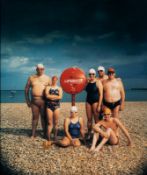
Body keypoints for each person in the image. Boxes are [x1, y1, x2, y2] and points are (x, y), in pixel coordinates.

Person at [25, 64, 51, 139]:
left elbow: (51, 89)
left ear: (44, 69)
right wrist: (27, 100)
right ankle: (33, 134)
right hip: (34, 101)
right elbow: (26, 89)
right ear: (36, 69)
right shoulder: (31, 77)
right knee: (34, 117)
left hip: (44, 101)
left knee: (44, 118)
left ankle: (45, 134)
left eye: (42, 69)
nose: (40, 70)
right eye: (38, 69)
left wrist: (51, 101)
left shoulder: (47, 78)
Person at [85, 68, 103, 140]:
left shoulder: (98, 82)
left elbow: (101, 94)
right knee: (89, 119)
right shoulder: (87, 83)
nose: (91, 75)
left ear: (95, 75)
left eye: (93, 74)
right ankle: (89, 134)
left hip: (95, 101)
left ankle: (98, 134)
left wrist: (99, 105)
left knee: (96, 120)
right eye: (90, 74)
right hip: (88, 101)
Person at [45, 76, 63, 141]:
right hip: (49, 106)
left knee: (56, 122)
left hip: (57, 106)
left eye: (55, 80)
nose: (54, 81)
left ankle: (55, 136)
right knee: (50, 123)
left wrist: (51, 97)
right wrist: (56, 96)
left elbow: (60, 97)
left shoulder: (59, 88)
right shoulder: (48, 87)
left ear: (57, 80)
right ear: (51, 80)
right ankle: (49, 137)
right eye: (53, 79)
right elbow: (46, 96)